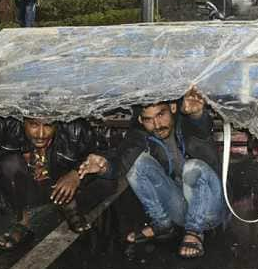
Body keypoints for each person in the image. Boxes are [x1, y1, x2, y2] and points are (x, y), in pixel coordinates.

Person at [0, 105, 117, 252]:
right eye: (33, 125)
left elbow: (105, 153)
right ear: (23, 122)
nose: (40, 134)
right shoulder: (11, 124)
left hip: (63, 181)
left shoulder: (76, 128)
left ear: (57, 123)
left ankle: (69, 206)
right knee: (8, 165)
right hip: (28, 187)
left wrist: (77, 173)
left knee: (99, 169)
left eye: (47, 125)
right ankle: (21, 224)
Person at [78, 87, 225, 259]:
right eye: (148, 119)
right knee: (136, 163)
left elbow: (201, 128)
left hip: (210, 207)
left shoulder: (186, 123)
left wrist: (196, 115)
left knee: (192, 167)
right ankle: (163, 224)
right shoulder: (139, 135)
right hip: (180, 209)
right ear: (140, 119)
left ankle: (194, 231)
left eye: (161, 115)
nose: (157, 125)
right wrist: (105, 167)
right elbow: (122, 161)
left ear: (173, 108)